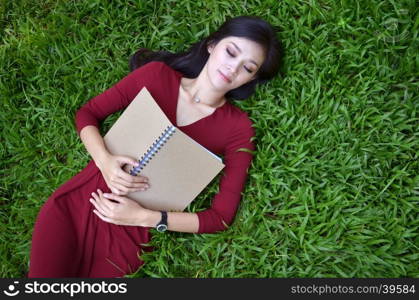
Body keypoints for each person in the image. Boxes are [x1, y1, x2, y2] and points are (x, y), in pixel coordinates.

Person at [28, 15, 282, 278]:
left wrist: (146, 218)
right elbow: (87, 114)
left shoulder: (238, 128)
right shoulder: (156, 75)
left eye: (248, 68)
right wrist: (104, 161)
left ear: (250, 79)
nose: (233, 69)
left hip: (127, 236)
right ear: (212, 45)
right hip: (80, 202)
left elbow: (220, 217)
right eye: (230, 52)